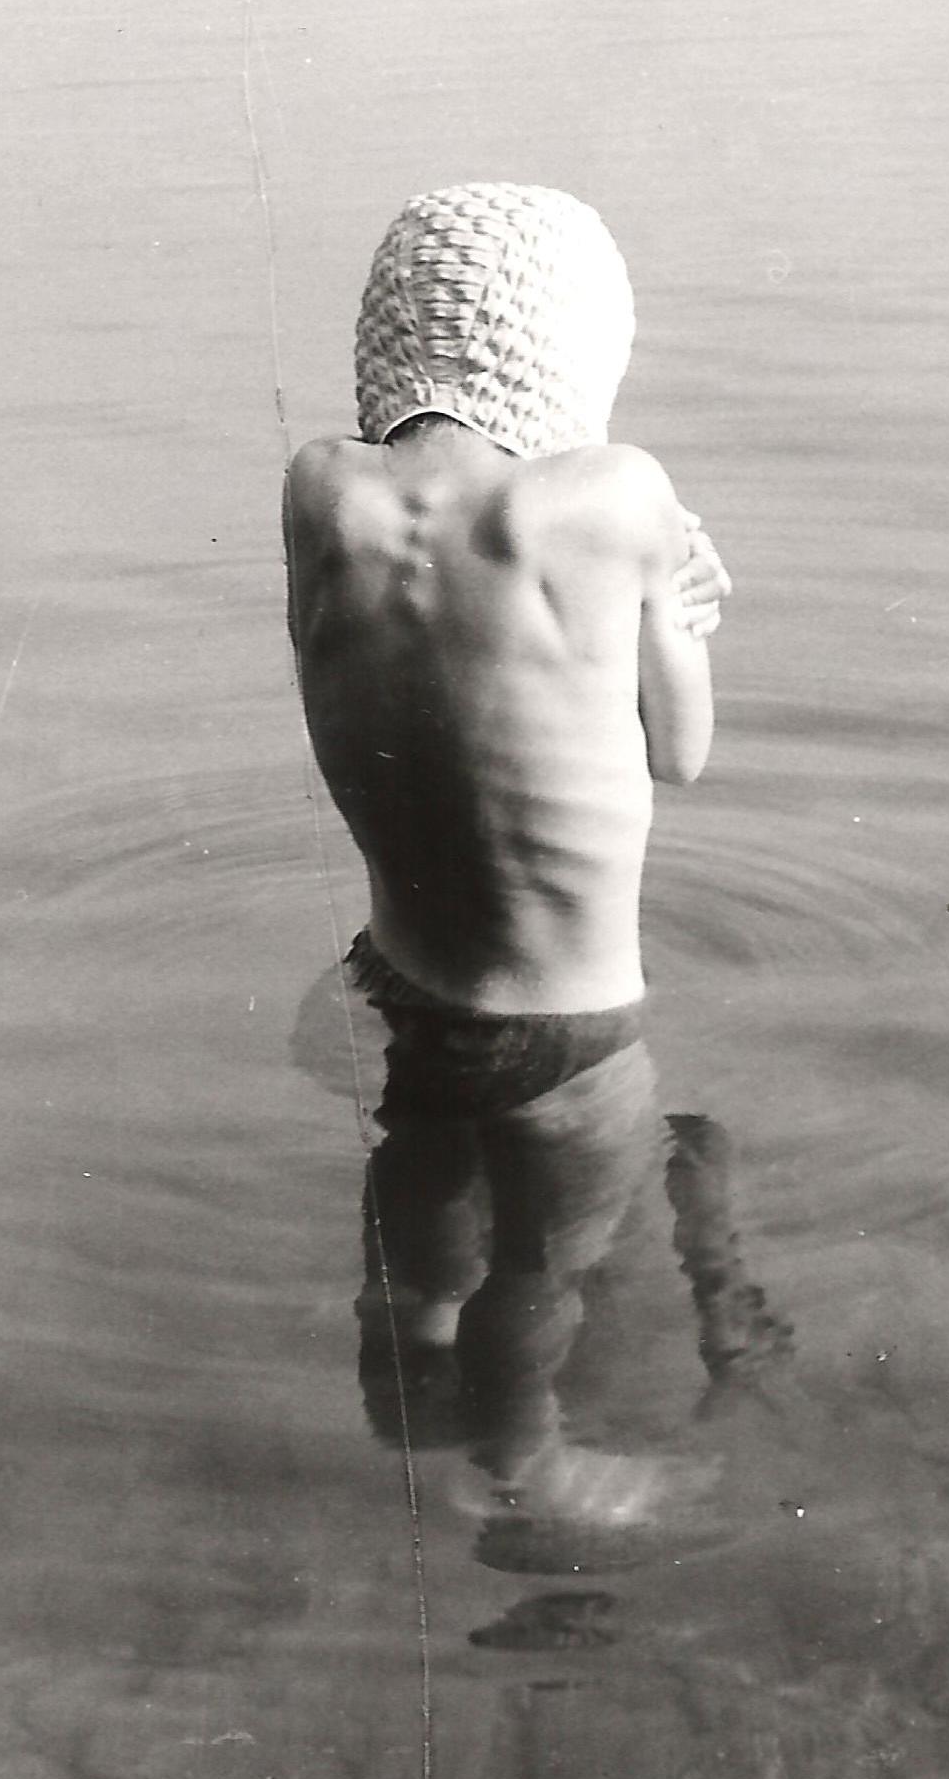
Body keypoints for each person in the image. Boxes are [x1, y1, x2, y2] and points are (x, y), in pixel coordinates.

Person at [283, 184, 784, 1525]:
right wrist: (679, 608)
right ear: (570, 347)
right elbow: (679, 751)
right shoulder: (616, 495)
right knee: (542, 1264)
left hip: (402, 988)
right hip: (570, 1030)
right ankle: (523, 1463)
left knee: (420, 1228)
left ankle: (404, 1398)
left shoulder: (320, 490)